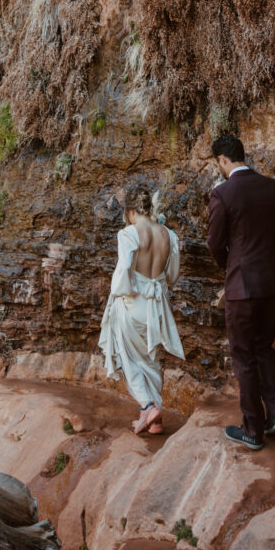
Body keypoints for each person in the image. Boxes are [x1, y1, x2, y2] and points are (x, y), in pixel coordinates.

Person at [207, 134, 275, 451]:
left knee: (244, 356)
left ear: (222, 160)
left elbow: (215, 244)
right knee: (264, 347)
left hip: (243, 285)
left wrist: (230, 267)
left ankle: (252, 430)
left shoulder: (223, 193)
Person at [99, 183, 185, 435]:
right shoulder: (169, 234)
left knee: (129, 359)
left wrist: (120, 292)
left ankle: (148, 406)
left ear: (130, 211)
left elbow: (125, 268)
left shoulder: (129, 234)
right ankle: (154, 421)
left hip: (133, 302)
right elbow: (172, 274)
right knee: (151, 359)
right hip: (158, 305)